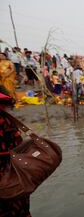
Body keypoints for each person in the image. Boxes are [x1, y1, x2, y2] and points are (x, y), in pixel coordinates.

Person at [0, 89, 31, 217]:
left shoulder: (4, 121)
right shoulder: (7, 120)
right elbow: (19, 146)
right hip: (13, 179)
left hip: (8, 180)